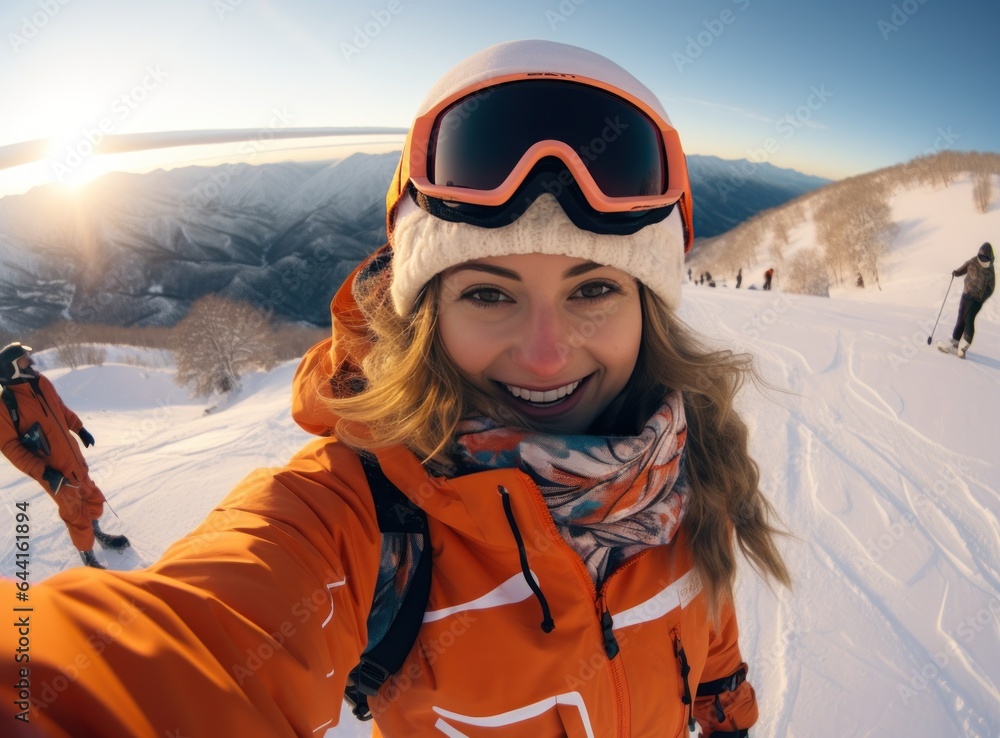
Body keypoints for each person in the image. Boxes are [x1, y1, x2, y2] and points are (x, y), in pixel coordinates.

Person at [0, 41, 789, 737]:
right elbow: (169, 659)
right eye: (488, 294)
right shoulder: (361, 519)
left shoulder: (686, 467)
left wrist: (725, 713)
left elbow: (710, 636)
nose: (547, 356)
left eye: (593, 292)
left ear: (648, 311)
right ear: (425, 318)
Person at [0, 342, 128, 569]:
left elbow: (61, 408)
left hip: (74, 458)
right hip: (53, 470)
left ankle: (97, 534)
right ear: (10, 368)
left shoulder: (41, 382)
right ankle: (87, 557)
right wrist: (43, 472)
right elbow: (9, 446)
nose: (29, 361)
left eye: (28, 357)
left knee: (92, 497)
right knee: (75, 512)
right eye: (23, 359)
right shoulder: (5, 404)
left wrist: (79, 428)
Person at [942, 242, 995, 358]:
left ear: (990, 258)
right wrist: (956, 273)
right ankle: (955, 343)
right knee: (961, 317)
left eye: (986, 257)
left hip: (977, 299)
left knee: (969, 318)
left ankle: (964, 345)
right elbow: (964, 268)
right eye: (981, 256)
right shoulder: (973, 261)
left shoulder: (990, 271)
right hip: (966, 294)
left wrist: (982, 298)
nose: (983, 259)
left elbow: (990, 289)